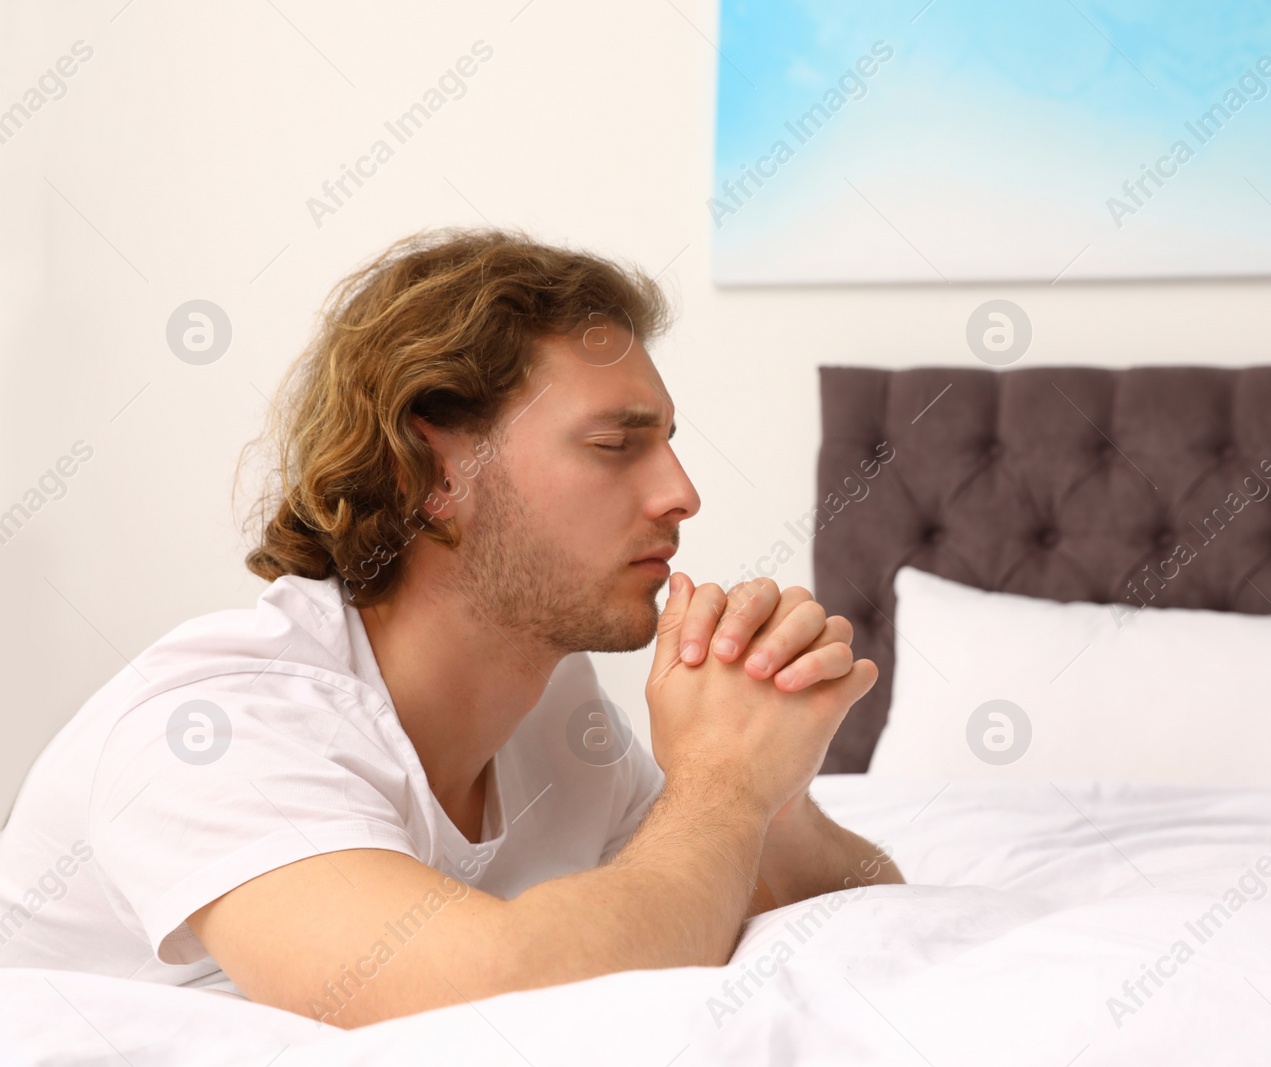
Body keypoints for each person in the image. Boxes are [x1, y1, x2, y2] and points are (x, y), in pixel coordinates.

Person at [0, 229, 902, 1028]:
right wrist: (720, 791)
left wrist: (768, 789)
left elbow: (802, 907)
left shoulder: (557, 713)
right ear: (434, 471)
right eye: (615, 444)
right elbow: (482, 990)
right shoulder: (215, 726)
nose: (682, 492)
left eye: (667, 440)